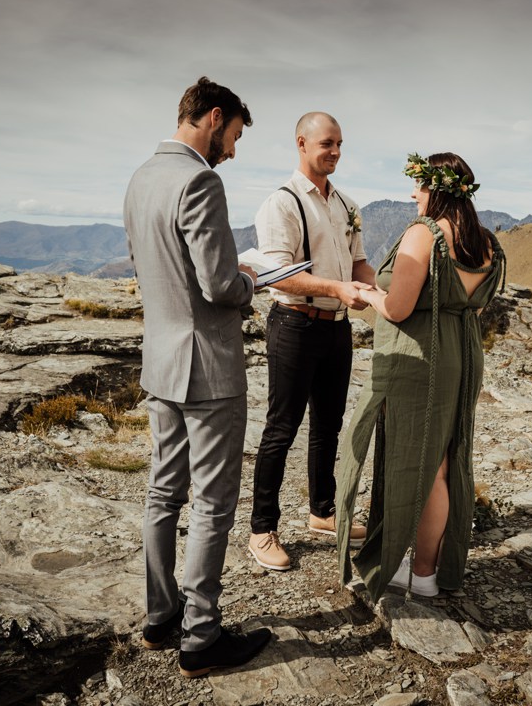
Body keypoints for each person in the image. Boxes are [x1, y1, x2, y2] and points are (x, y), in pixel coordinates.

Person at [122, 76, 271, 676]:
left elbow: (150, 265)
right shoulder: (199, 181)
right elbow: (216, 285)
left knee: (162, 493)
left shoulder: (140, 178)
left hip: (160, 361)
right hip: (208, 368)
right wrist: (252, 283)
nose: (232, 151)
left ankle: (161, 618)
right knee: (213, 503)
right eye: (234, 136)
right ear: (213, 118)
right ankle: (202, 638)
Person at [336, 151, 505, 600]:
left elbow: (398, 308)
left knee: (419, 463)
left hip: (421, 358)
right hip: (463, 355)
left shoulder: (423, 234)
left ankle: (405, 569)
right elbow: (476, 305)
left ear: (438, 189)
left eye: (420, 185)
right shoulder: (486, 241)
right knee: (446, 462)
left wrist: (368, 294)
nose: (414, 194)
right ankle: (428, 571)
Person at [247, 112, 376, 571]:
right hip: (295, 327)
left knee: (329, 424)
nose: (335, 152)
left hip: (337, 328)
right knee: (280, 429)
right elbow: (279, 275)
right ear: (301, 143)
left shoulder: (346, 204)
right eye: (327, 144)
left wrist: (372, 291)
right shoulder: (281, 204)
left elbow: (358, 263)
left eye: (340, 143)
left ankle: (322, 512)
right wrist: (337, 289)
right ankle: (262, 529)